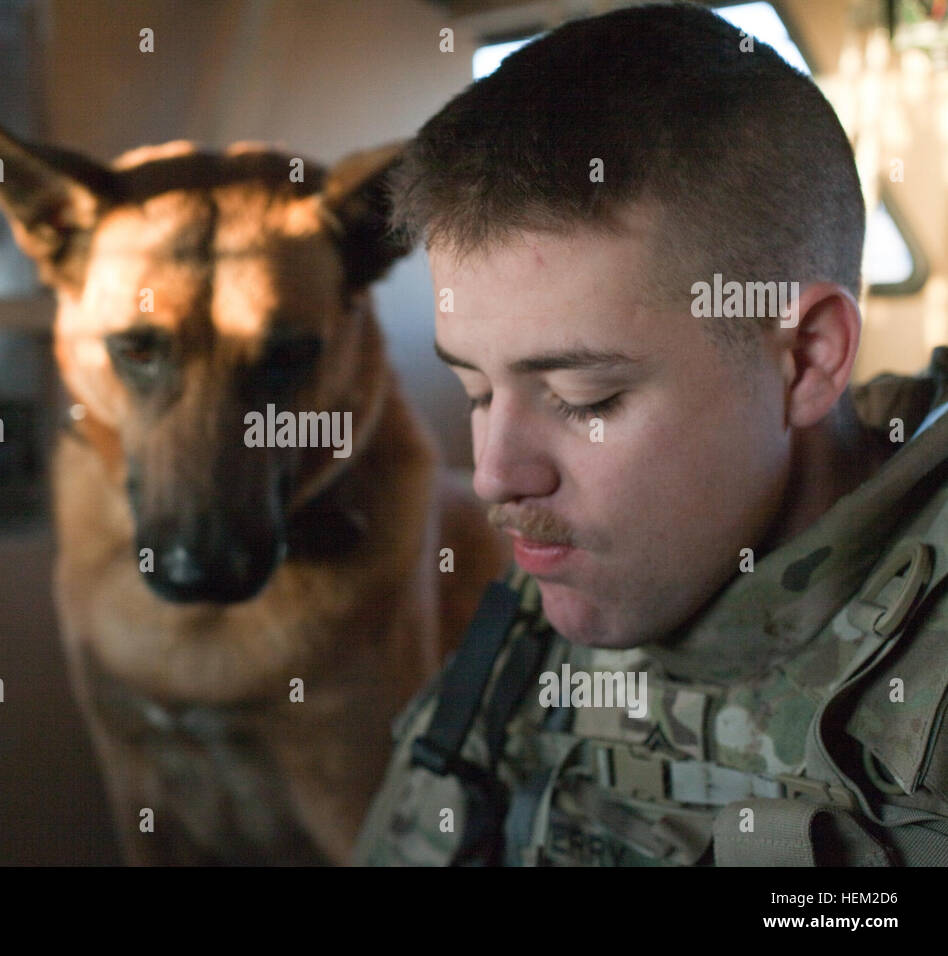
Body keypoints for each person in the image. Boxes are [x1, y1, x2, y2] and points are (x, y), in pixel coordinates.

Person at [355, 2, 948, 866]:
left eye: (584, 398)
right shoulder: (537, 607)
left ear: (807, 360)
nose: (494, 476)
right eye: (475, 389)